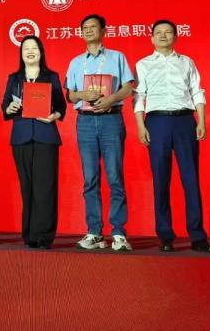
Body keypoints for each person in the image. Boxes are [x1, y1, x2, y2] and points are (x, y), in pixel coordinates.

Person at [134, 19, 210, 253]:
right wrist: (140, 126)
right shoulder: (143, 64)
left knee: (191, 179)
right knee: (161, 179)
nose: (163, 35)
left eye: (168, 32)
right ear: (151, 37)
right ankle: (165, 235)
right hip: (156, 122)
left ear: (175, 37)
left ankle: (198, 236)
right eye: (158, 32)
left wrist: (201, 121)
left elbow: (197, 91)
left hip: (185, 121)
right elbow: (139, 96)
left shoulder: (187, 62)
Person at [65, 14, 135, 252]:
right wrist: (82, 95)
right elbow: (70, 95)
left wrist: (111, 99)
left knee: (115, 176)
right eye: (84, 27)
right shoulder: (76, 62)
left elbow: (128, 88)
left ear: (103, 30)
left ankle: (118, 233)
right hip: (85, 122)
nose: (88, 30)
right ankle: (94, 232)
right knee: (90, 178)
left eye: (93, 27)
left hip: (111, 120)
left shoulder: (117, 57)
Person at [1, 36, 66, 249]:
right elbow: (5, 106)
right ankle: (29, 234)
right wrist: (9, 109)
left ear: (41, 52)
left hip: (45, 135)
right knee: (27, 186)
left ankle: (44, 235)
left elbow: (61, 106)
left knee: (45, 187)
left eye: (34, 48)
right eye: (26, 48)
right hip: (21, 137)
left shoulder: (51, 77)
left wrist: (54, 116)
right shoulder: (14, 78)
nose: (30, 51)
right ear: (21, 54)